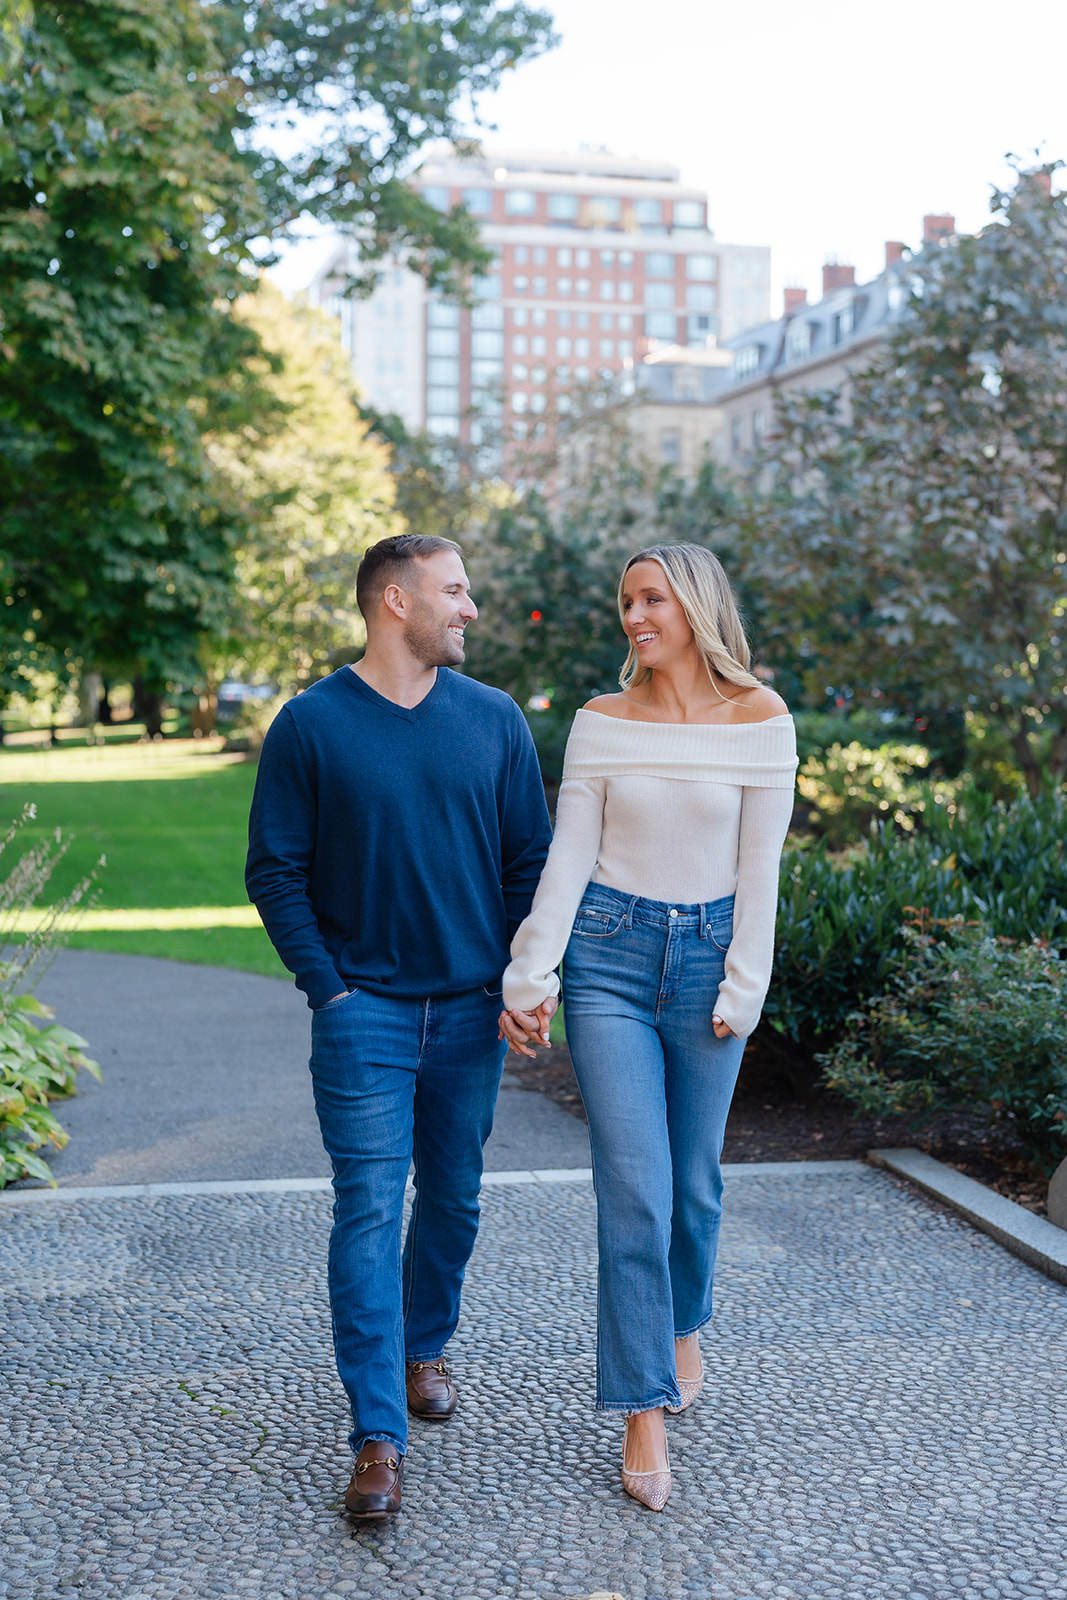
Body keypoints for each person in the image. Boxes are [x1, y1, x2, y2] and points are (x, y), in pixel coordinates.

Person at [246, 532, 553, 1519]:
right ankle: (376, 1436)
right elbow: (275, 871)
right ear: (393, 600)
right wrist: (329, 989)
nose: (469, 609)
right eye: (453, 592)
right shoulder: (310, 725)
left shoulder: (494, 720)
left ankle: (426, 1342)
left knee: (453, 1202)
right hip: (363, 1015)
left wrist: (521, 981)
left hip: (469, 1014)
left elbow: (526, 868)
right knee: (369, 1215)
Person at [499, 543, 796, 1511]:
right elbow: (568, 854)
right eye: (624, 601)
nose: (632, 615)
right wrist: (530, 968)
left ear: (695, 605)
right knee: (633, 1188)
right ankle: (641, 1406)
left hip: (708, 958)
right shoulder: (598, 722)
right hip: (608, 961)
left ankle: (683, 1317)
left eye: (649, 598)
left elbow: (761, 870)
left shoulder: (760, 719)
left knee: (692, 1187)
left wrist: (742, 986)